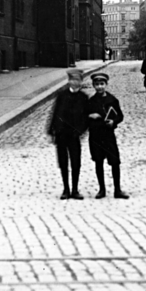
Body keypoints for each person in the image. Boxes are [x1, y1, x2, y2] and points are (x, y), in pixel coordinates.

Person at [47, 67, 89, 200]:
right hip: (61, 134)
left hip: (74, 135)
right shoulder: (62, 95)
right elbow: (55, 113)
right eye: (72, 80)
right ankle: (66, 189)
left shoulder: (83, 97)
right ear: (69, 81)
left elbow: (86, 118)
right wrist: (51, 131)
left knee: (76, 161)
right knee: (63, 161)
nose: (74, 82)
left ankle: (75, 189)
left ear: (81, 82)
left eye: (77, 80)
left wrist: (81, 131)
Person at [87, 73, 129, 199]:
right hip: (95, 135)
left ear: (106, 85)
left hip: (108, 135)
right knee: (98, 162)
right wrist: (90, 116)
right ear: (93, 85)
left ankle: (117, 190)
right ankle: (102, 190)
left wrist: (113, 122)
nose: (99, 87)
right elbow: (82, 117)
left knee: (115, 162)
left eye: (102, 84)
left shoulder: (112, 100)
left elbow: (120, 116)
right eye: (97, 84)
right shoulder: (91, 101)